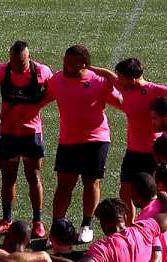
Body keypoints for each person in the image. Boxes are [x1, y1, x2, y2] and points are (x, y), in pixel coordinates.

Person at [39, 44, 123, 243]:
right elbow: (39, 101)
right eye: (64, 62)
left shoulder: (99, 81)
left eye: (70, 64)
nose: (65, 66)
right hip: (68, 141)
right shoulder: (58, 80)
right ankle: (57, 227)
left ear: (83, 64)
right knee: (64, 186)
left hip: (96, 140)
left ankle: (87, 225)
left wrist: (109, 75)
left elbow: (122, 101)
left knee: (90, 182)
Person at [89, 58, 167, 224]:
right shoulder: (125, 88)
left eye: (122, 77)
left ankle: (153, 226)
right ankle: (130, 225)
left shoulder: (154, 90)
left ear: (132, 78)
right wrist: (87, 67)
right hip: (132, 152)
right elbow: (107, 75)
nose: (118, 81)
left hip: (153, 154)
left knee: (153, 194)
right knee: (125, 192)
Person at [0, 41, 53, 238]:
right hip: (8, 134)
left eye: (20, 63)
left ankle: (38, 221)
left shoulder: (41, 71)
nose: (16, 66)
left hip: (31, 134)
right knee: (8, 179)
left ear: (28, 57)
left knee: (34, 176)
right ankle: (6, 220)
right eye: (13, 62)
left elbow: (55, 89)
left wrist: (39, 104)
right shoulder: (2, 71)